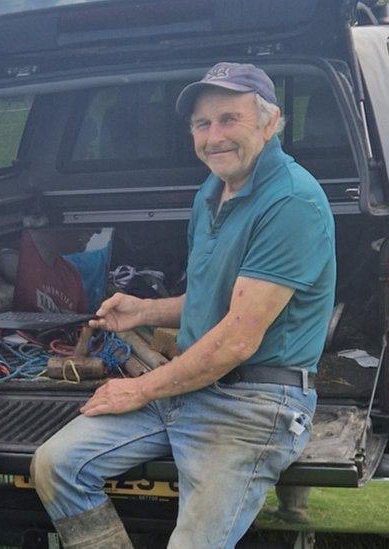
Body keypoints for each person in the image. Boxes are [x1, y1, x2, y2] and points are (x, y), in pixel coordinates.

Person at [30, 62, 335, 548]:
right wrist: (145, 311)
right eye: (202, 123)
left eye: (229, 119)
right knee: (55, 464)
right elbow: (215, 300)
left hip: (252, 404)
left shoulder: (292, 202)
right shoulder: (212, 191)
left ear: (270, 122)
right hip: (187, 385)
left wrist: (140, 389)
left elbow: (236, 338)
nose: (214, 136)